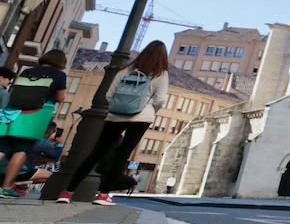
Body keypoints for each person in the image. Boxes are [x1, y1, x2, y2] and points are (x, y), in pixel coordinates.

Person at [56, 43, 170, 206]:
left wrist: (118, 108)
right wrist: (149, 109)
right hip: (142, 117)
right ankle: (103, 196)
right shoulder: (161, 74)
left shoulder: (125, 70)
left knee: (96, 153)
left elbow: (109, 95)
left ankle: (67, 192)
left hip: (116, 115)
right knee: (123, 155)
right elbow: (160, 100)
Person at [0, 52, 67, 199]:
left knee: (3, 147)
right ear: (61, 62)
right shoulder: (59, 75)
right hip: (35, 115)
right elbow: (60, 97)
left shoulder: (27, 71)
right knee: (21, 149)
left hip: (14, 112)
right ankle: (5, 187)